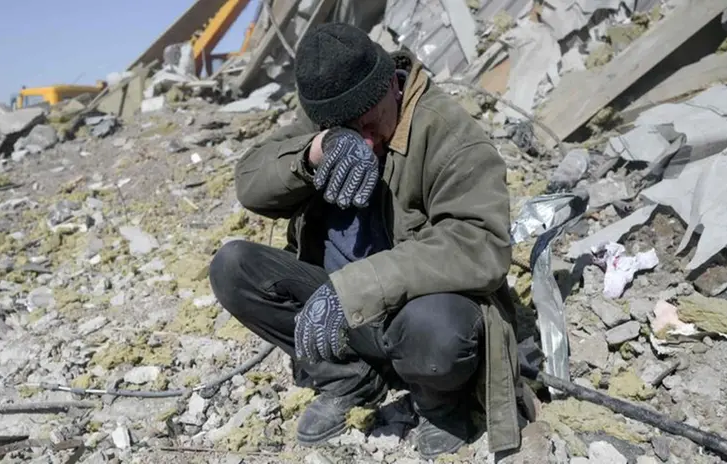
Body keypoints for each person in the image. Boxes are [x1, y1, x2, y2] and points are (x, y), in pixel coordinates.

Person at [209, 22, 529, 459]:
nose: (363, 140)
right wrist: (315, 152)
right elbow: (250, 183)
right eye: (342, 128)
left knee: (437, 334)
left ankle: (439, 401)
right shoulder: (329, 118)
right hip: (342, 312)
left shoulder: (448, 133)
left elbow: (482, 245)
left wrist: (355, 289)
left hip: (411, 312)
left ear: (391, 87)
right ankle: (351, 377)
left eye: (369, 123)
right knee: (233, 267)